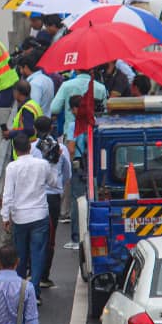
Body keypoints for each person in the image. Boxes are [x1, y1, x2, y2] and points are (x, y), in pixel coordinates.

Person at [1, 134, 58, 302]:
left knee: (20, 254)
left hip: (20, 217)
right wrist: (53, 164)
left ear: (15, 150)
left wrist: (5, 216)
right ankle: (34, 292)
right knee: (38, 254)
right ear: (30, 147)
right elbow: (54, 183)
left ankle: (21, 292)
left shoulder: (12, 167)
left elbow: (8, 194)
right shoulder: (42, 165)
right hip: (39, 215)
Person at [31, 117, 71, 289]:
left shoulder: (31, 149)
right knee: (50, 238)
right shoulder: (61, 149)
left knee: (33, 236)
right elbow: (67, 172)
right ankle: (43, 276)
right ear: (52, 128)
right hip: (52, 198)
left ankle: (32, 272)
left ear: (34, 129)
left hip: (34, 197)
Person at [64, 96, 88, 250]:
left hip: (79, 165)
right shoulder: (91, 123)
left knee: (77, 201)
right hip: (90, 165)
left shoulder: (74, 125)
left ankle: (76, 238)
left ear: (74, 109)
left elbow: (71, 148)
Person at [2, 81, 43, 149]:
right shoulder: (34, 104)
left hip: (27, 150)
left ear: (17, 92)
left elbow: (29, 131)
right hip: (34, 148)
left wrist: (10, 134)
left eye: (14, 92)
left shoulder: (26, 108)